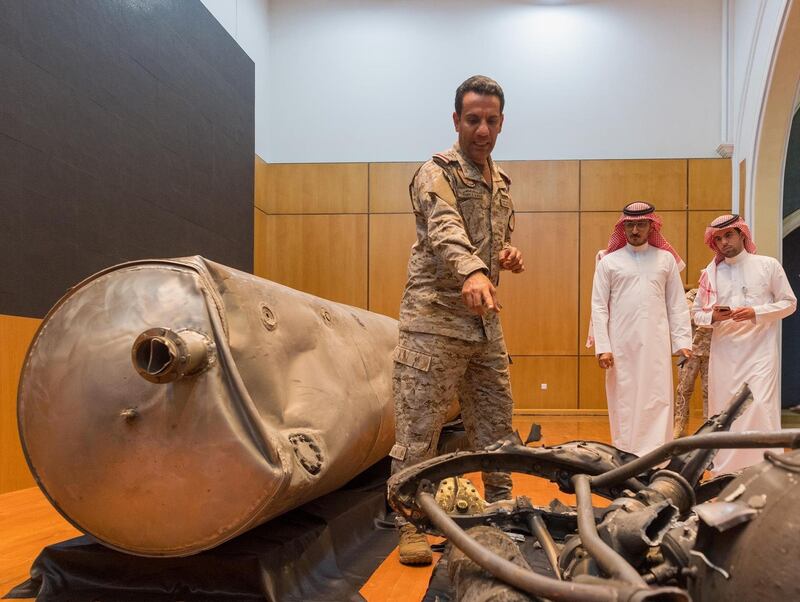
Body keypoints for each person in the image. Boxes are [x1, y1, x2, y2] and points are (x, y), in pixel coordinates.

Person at [391, 75, 524, 565]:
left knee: (496, 424)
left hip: (483, 324)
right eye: (473, 120)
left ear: (501, 122)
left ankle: (501, 509)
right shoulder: (435, 173)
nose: (482, 130)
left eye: (491, 120)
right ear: (456, 121)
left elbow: (489, 236)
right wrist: (470, 268)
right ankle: (409, 524)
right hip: (433, 323)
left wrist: (503, 256)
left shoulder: (501, 182)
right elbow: (445, 229)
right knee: (418, 431)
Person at [692, 214, 796, 474]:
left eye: (729, 235)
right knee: (726, 410)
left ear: (742, 235)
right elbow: (697, 314)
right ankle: (725, 469)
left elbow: (789, 303)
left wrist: (755, 312)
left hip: (760, 352)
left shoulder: (768, 265)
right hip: (725, 353)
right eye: (718, 239)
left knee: (760, 405)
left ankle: (765, 467)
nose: (724, 242)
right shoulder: (711, 273)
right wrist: (714, 315)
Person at [589, 202, 692, 458]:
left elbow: (676, 303)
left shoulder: (665, 260)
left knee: (658, 398)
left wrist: (682, 341)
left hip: (656, 343)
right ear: (623, 227)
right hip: (620, 346)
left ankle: (657, 457)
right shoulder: (608, 262)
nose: (635, 230)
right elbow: (599, 307)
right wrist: (603, 347)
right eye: (630, 225)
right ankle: (625, 453)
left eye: (641, 224)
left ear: (651, 226)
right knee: (624, 401)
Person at [673, 286, 712, 438]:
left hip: (712, 352)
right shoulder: (692, 295)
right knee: (683, 389)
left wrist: (708, 316)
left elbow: (724, 317)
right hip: (690, 352)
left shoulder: (721, 295)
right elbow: (688, 314)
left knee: (708, 391)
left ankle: (707, 428)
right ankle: (680, 425)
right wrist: (710, 316)